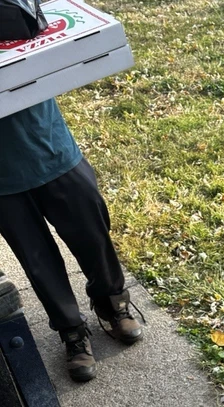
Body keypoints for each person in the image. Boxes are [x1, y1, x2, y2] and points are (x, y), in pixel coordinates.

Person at [0, 98, 142, 382]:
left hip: (49, 143)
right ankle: (72, 331)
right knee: (36, 259)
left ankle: (110, 301)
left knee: (91, 230)